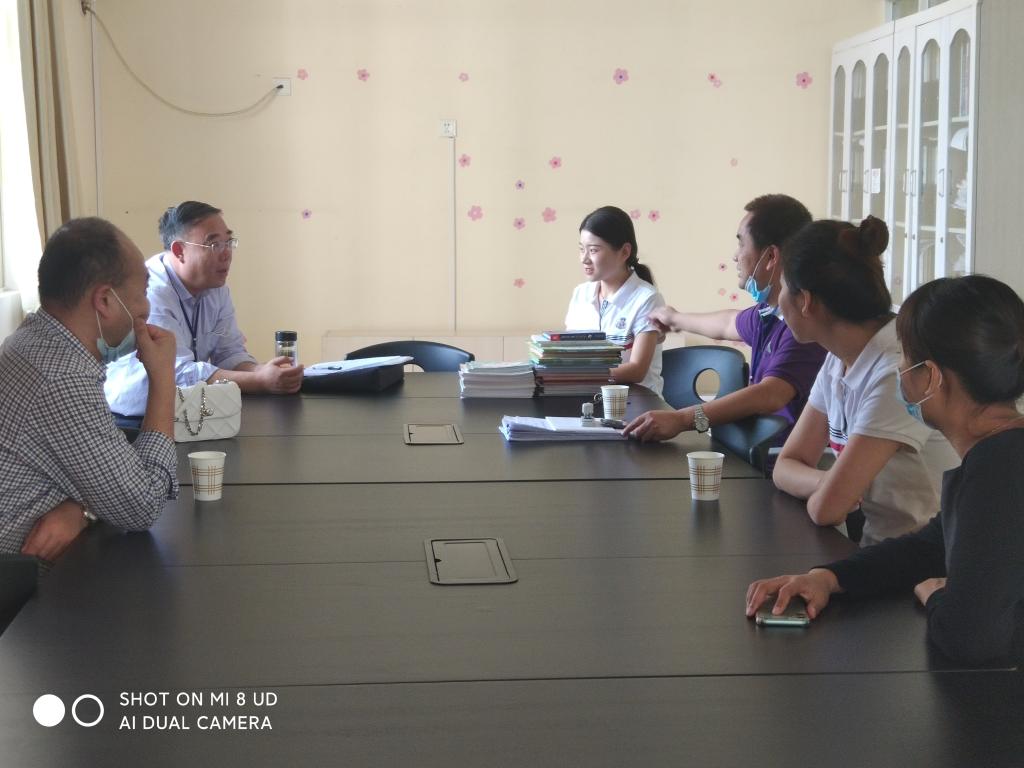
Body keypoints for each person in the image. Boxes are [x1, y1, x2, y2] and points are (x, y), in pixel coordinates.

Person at [747, 275, 1024, 666]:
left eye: (905, 359)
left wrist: (936, 594)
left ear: (931, 377)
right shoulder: (998, 457)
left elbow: (970, 638)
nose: (900, 371)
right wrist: (828, 578)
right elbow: (930, 546)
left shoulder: (998, 474)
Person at [771, 216, 959, 546]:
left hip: (928, 562)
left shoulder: (897, 369)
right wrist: (829, 484)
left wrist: (831, 492)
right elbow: (786, 465)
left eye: (784, 286)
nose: (778, 299)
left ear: (806, 301)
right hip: (882, 550)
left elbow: (827, 510)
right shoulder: (839, 358)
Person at [0, 218, 178, 562]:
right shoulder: (63, 380)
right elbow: (143, 505)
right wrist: (162, 379)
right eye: (142, 293)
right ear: (105, 300)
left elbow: (97, 470)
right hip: (20, 583)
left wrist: (82, 509)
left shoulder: (32, 338)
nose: (146, 309)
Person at [624, 194, 825, 444]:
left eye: (741, 244)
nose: (735, 256)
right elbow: (728, 323)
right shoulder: (768, 314)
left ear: (771, 257)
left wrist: (683, 420)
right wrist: (674, 319)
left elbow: (770, 394)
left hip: (776, 459)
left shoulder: (803, 326)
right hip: (755, 452)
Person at [105, 201, 303, 423]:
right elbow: (176, 372)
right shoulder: (151, 291)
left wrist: (263, 370)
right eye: (214, 244)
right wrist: (260, 381)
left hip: (187, 410)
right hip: (135, 415)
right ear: (179, 251)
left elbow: (229, 353)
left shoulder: (216, 287)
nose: (226, 253)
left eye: (228, 242)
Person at [565, 206, 665, 394]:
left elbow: (637, 370)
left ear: (624, 252)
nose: (584, 259)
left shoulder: (647, 299)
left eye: (593, 250)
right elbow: (571, 355)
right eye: (581, 249)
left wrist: (581, 375)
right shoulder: (580, 294)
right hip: (589, 396)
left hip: (637, 402)